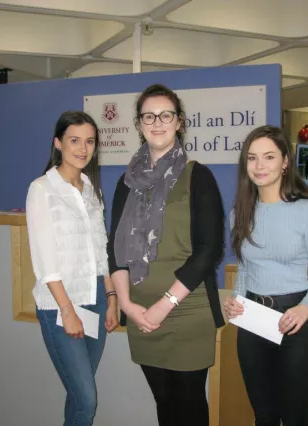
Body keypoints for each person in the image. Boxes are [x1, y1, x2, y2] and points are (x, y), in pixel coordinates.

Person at [107, 84, 225, 426]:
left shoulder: (198, 176)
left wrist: (164, 304)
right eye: (149, 116)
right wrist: (128, 305)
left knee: (189, 405)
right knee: (164, 403)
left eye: (165, 115)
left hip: (186, 309)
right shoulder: (126, 182)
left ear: (179, 122)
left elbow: (209, 251)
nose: (157, 122)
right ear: (139, 124)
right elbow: (114, 248)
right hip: (140, 311)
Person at [224, 125, 308, 426]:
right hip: (254, 318)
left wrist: (304, 309)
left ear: (285, 162)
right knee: (265, 416)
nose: (259, 166)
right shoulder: (240, 212)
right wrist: (235, 299)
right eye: (252, 158)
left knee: (296, 418)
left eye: (269, 157)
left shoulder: (306, 211)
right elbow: (245, 268)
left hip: (296, 318)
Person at [25, 111, 119, 426]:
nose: (82, 148)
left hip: (96, 298)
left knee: (79, 396)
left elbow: (100, 248)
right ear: (58, 143)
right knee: (88, 400)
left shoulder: (92, 189)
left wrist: (111, 296)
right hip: (60, 305)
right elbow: (44, 259)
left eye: (89, 141)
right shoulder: (42, 189)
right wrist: (67, 310)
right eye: (74, 140)